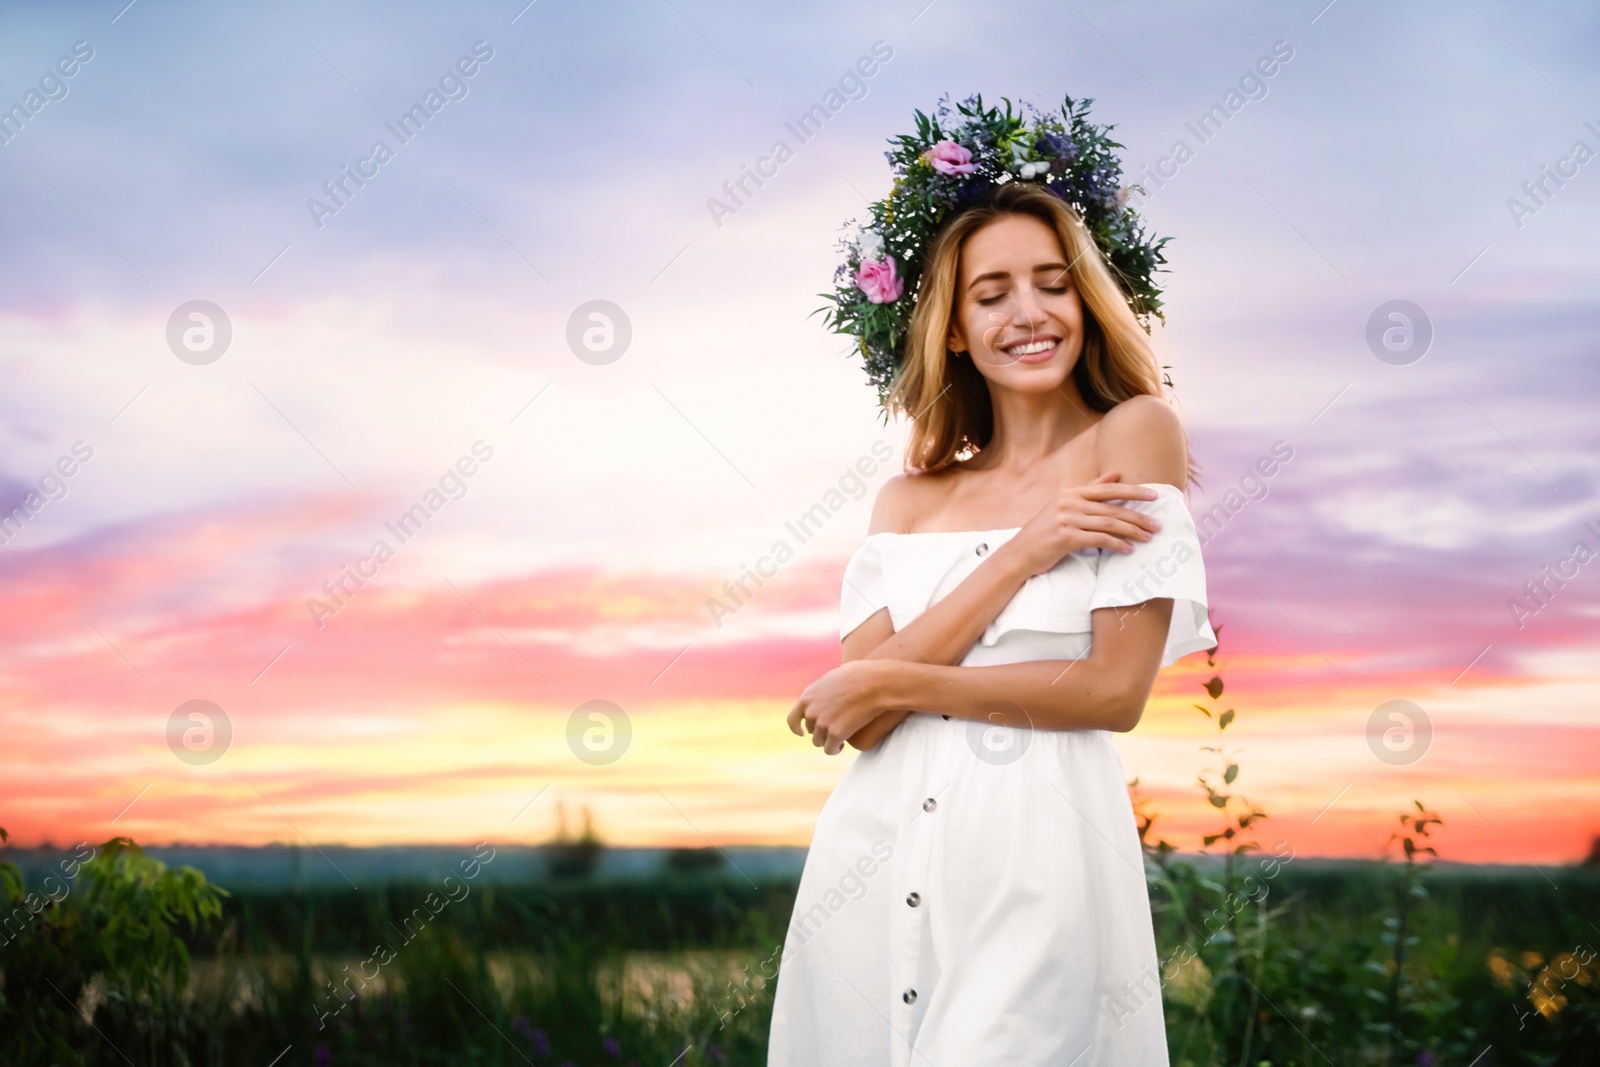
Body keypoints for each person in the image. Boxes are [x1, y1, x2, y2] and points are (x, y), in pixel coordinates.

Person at [767, 104, 1214, 1066]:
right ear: (955, 329)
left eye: (1054, 285)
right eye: (993, 293)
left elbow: (1112, 691)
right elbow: (864, 719)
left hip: (1035, 856)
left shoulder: (1133, 435)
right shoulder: (907, 500)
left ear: (1089, 300)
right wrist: (1024, 552)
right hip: (871, 857)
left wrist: (896, 677)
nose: (1029, 313)